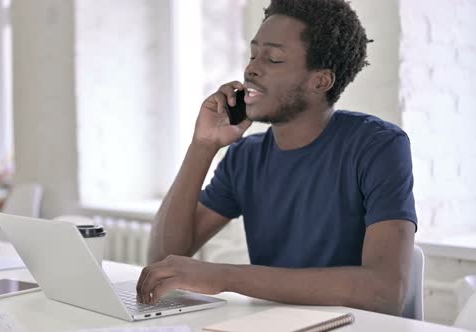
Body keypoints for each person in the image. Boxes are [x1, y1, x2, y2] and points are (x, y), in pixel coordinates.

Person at [136, 0, 417, 316]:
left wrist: (223, 276)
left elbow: (385, 293)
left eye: (273, 58)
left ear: (320, 81)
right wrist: (203, 145)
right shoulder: (245, 156)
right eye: (253, 54)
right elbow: (163, 260)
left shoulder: (377, 146)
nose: (251, 68)